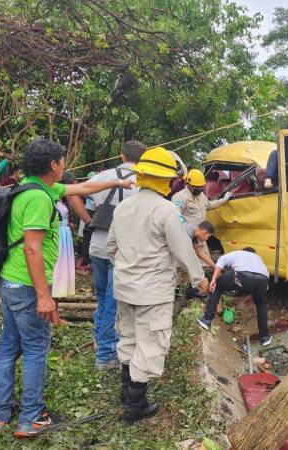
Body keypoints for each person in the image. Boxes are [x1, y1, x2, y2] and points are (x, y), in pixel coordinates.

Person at [0, 139, 133, 438]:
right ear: (53, 165)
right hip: (27, 286)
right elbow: (32, 248)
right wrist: (44, 296)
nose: (66, 165)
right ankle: (31, 417)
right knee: (35, 349)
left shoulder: (34, 186)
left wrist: (119, 182)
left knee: (8, 346)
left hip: (9, 281)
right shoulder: (39, 199)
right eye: (63, 161)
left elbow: (83, 189)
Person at [107, 147, 208, 426]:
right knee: (150, 344)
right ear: (166, 180)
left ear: (141, 175)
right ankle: (135, 405)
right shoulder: (166, 211)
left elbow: (111, 248)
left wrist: (129, 269)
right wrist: (200, 278)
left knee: (128, 338)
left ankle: (126, 393)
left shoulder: (123, 207)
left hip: (124, 287)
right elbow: (183, 251)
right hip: (153, 291)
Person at [88, 140, 147, 371]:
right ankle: (105, 356)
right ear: (142, 159)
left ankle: (99, 341)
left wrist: (87, 219)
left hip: (97, 245)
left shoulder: (103, 176)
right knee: (113, 303)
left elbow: (76, 192)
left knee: (103, 298)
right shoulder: (143, 180)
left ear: (122, 156)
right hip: (121, 249)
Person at [197, 247, 272, 347]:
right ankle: (265, 337)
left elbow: (221, 260)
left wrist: (214, 279)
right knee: (261, 305)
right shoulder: (258, 259)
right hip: (262, 280)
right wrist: (255, 294)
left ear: (243, 251)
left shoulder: (238, 253)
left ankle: (207, 320)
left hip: (241, 275)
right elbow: (263, 284)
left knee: (218, 285)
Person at [172, 168, 231, 266]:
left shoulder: (201, 195)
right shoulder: (180, 197)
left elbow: (209, 205)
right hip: (188, 238)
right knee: (189, 264)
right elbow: (176, 216)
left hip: (201, 236)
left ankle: (204, 277)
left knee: (205, 261)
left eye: (201, 187)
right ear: (189, 184)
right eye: (197, 187)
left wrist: (223, 200)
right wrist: (189, 232)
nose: (199, 189)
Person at [51, 172, 94, 298]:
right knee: (56, 267)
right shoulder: (52, 196)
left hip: (65, 235)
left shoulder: (64, 199)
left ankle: (57, 300)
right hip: (56, 235)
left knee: (62, 268)